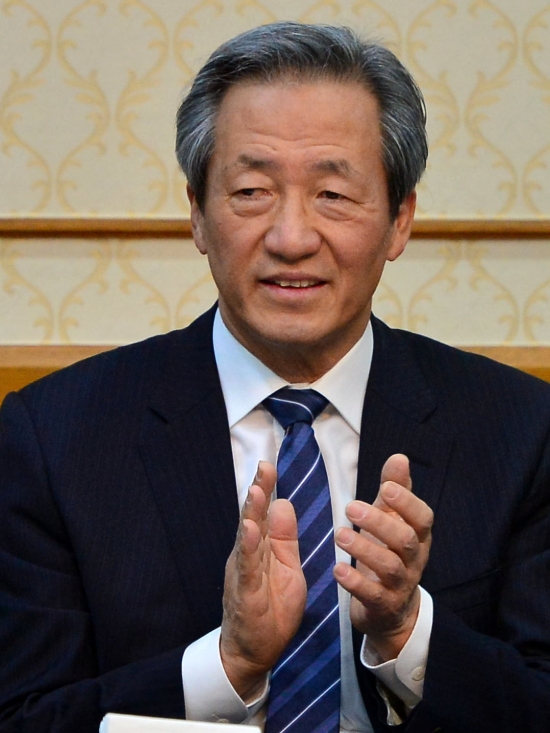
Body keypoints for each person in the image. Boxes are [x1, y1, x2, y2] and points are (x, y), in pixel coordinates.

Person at [0, 20, 549, 733]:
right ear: (198, 215)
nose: (291, 238)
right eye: (252, 190)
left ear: (399, 221)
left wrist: (406, 631)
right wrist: (228, 663)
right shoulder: (53, 438)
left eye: (334, 194)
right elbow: (23, 715)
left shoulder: (521, 431)